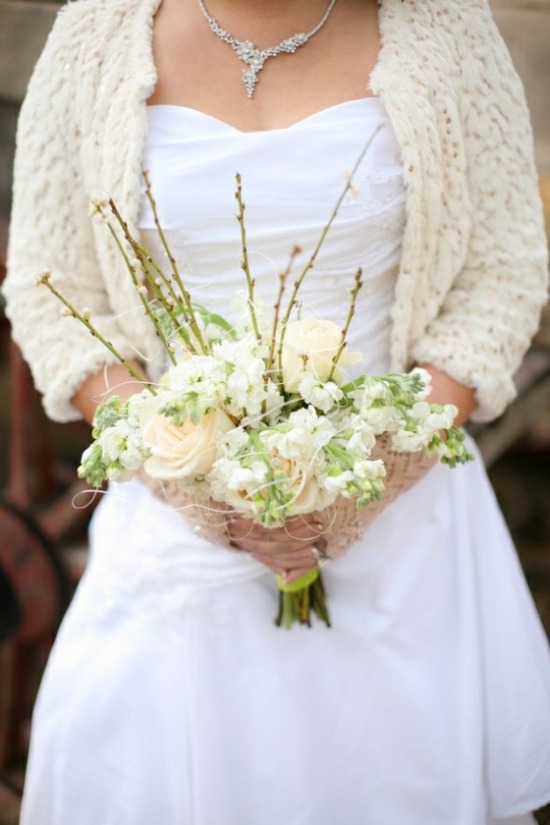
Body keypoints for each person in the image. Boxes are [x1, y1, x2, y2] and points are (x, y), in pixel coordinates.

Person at [3, 0, 550, 822]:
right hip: (175, 529)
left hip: (403, 532)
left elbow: (503, 272)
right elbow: (53, 292)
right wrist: (187, 469)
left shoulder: (445, 26)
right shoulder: (98, 31)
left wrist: (384, 465)